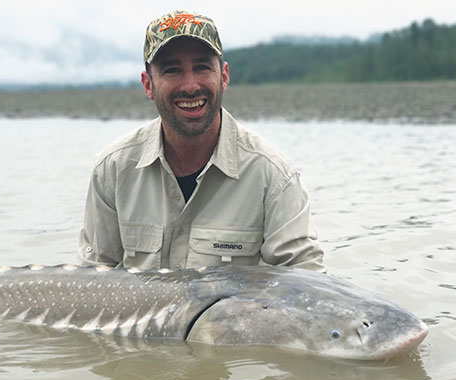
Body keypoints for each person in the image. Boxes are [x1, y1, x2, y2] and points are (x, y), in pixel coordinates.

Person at [78, 10, 324, 271]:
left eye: (202, 67)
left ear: (224, 76)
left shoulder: (274, 176)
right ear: (148, 84)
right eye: (172, 70)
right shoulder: (112, 170)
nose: (191, 85)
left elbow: (308, 283)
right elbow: (92, 281)